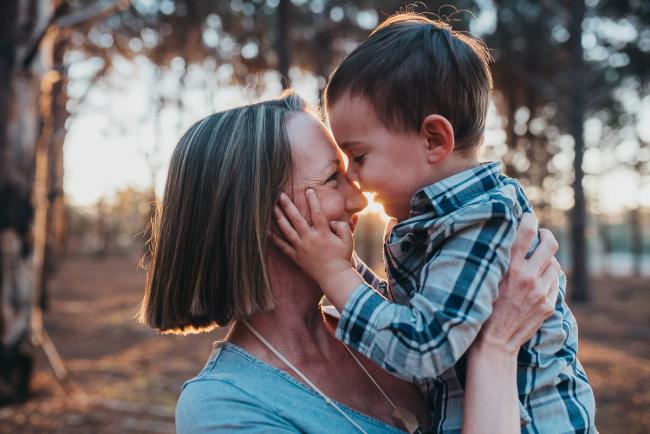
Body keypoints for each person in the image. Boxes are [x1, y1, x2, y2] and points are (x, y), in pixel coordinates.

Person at [140, 92, 562, 433]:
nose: (360, 198)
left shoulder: (381, 324)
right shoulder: (225, 405)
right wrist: (498, 348)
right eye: (331, 179)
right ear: (256, 217)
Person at [273, 13, 596, 433]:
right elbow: (411, 314)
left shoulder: (484, 220)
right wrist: (345, 265)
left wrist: (333, 271)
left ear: (433, 140)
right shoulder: (438, 220)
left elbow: (422, 347)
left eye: (360, 156)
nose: (353, 176)